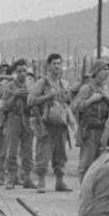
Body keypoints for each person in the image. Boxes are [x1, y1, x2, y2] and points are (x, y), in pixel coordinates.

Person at [28, 53, 74, 192]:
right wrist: (48, 96)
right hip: (46, 123)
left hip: (60, 123)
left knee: (60, 154)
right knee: (43, 153)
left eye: (59, 64)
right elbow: (30, 100)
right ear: (48, 65)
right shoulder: (42, 82)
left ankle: (60, 181)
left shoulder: (64, 83)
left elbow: (68, 101)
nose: (57, 66)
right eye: (54, 63)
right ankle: (41, 182)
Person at [0, 59, 37, 189]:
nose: (22, 74)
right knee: (12, 150)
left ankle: (27, 178)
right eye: (19, 71)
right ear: (15, 72)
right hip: (14, 118)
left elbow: (35, 102)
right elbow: (5, 105)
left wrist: (28, 96)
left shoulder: (31, 85)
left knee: (28, 151)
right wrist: (15, 95)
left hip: (28, 118)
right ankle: (11, 178)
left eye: (24, 70)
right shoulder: (9, 86)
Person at [73, 60, 109, 180]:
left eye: (107, 70)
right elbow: (75, 106)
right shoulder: (87, 88)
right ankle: (85, 192)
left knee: (103, 165)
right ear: (96, 72)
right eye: (103, 69)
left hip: (105, 131)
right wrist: (91, 100)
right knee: (86, 164)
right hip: (89, 131)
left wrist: (108, 98)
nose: (106, 72)